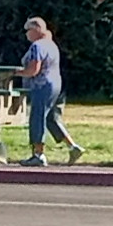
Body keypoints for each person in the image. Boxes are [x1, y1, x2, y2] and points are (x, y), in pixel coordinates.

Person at [15, 16, 82, 163]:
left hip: (42, 86)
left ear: (35, 30)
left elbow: (33, 70)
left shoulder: (37, 46)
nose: (26, 34)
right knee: (51, 118)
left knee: (37, 117)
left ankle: (38, 155)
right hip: (56, 84)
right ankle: (73, 147)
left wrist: (16, 73)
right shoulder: (51, 45)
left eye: (28, 30)